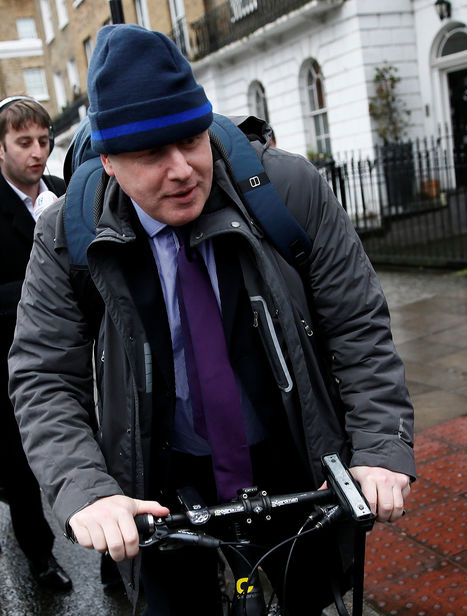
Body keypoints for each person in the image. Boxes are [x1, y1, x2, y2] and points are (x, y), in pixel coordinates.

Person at [8, 24, 414, 615]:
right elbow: (43, 376)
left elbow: (358, 327)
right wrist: (89, 491)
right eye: (151, 153)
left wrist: (380, 447)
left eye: (192, 140)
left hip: (290, 452)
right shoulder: (64, 234)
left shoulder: (290, 189)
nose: (183, 170)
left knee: (312, 595)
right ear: (110, 162)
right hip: (160, 474)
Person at [0, 96, 72, 591]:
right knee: (21, 468)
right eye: (24, 142)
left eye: (43, 141)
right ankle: (41, 558)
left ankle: (117, 560)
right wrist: (40, 285)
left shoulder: (65, 194)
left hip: (77, 356)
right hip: (12, 363)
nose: (37, 152)